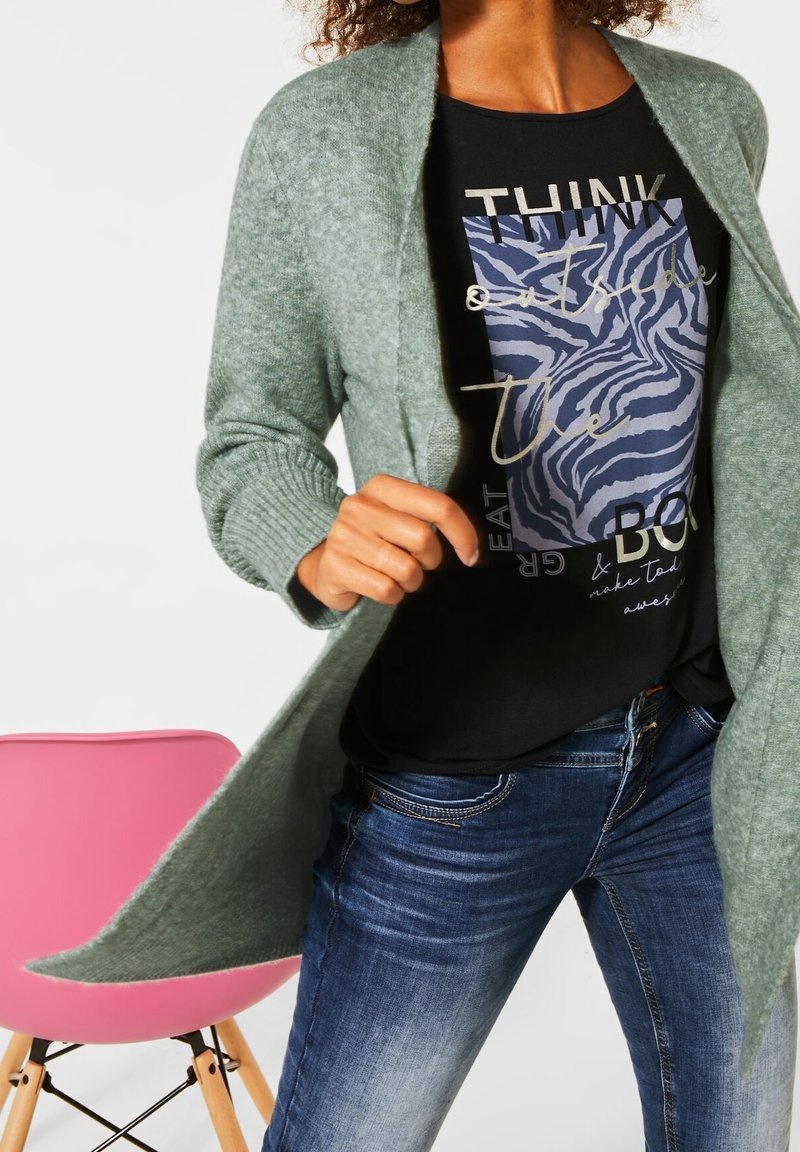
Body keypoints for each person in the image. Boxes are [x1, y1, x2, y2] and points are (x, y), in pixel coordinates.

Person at [247, 1, 797, 1149]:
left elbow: (739, 400)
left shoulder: (710, 111)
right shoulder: (325, 132)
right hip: (453, 780)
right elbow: (252, 434)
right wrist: (315, 537)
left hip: (696, 756)